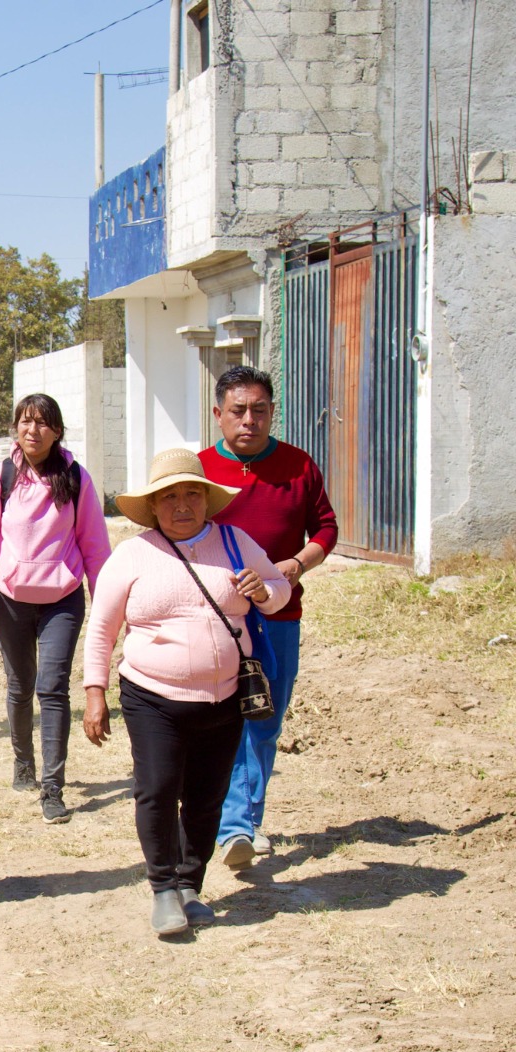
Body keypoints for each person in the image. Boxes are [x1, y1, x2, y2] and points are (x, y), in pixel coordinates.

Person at [82, 448, 290, 937]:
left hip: (225, 699)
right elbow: (102, 629)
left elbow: (279, 591)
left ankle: (190, 885)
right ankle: (162, 889)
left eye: (192, 494)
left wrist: (263, 591)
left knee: (206, 798)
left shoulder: (236, 543)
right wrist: (95, 691)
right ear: (153, 506)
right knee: (157, 791)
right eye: (169, 497)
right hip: (152, 697)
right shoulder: (133, 554)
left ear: (206, 499)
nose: (181, 505)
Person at [200, 364, 338, 868]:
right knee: (224, 719)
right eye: (238, 410)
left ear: (272, 412)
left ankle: (248, 818)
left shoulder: (299, 466)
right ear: (218, 414)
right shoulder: (198, 471)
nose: (249, 420)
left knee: (266, 717)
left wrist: (297, 565)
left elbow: (326, 528)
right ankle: (233, 824)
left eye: (259, 410)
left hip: (279, 615)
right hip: (217, 618)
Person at [0, 393, 112, 822]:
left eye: (43, 422)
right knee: (20, 685)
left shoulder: (76, 478)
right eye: (25, 422)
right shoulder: (1, 478)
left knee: (53, 687)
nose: (33, 430)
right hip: (8, 600)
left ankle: (52, 786)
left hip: (61, 601)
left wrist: (107, 604)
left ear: (57, 431)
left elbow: (95, 547)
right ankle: (23, 761)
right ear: (16, 428)